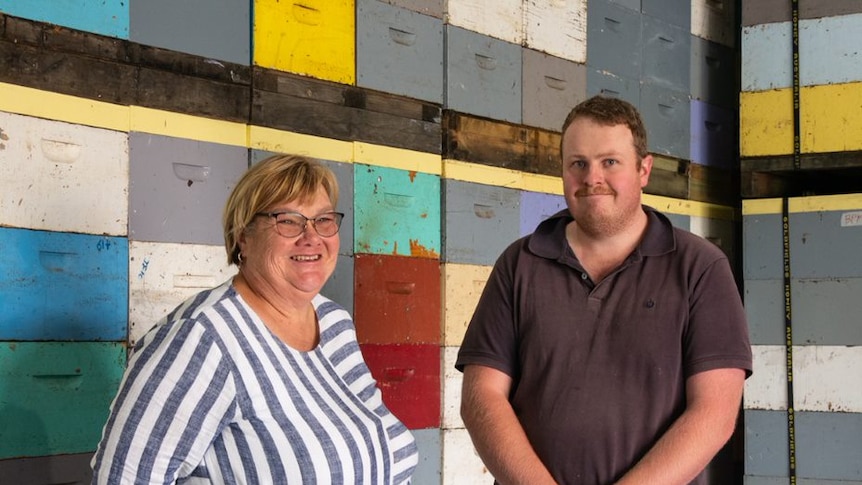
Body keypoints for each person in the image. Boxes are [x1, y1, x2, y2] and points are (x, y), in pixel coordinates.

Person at [456, 95, 752, 484]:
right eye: (578, 163)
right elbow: (482, 399)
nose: (592, 178)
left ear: (644, 170)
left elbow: (714, 414)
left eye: (609, 162)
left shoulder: (700, 267)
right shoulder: (519, 263)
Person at [92, 154, 418, 484]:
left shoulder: (335, 323)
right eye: (288, 220)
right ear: (242, 237)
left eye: (323, 220)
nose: (311, 237)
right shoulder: (201, 339)